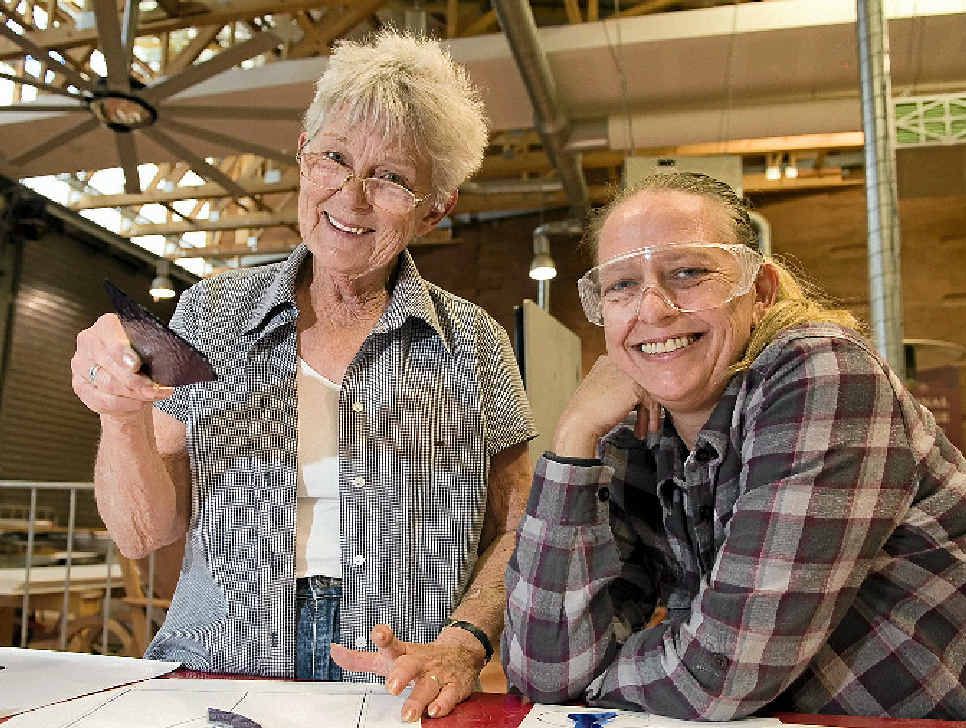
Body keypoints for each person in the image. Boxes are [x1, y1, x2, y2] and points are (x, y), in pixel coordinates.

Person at [71, 30, 536, 722]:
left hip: (397, 684)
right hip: (218, 666)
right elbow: (143, 534)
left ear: (436, 206)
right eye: (336, 158)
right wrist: (120, 414)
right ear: (302, 154)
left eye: (391, 178)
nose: (351, 197)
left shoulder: (471, 343)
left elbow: (521, 524)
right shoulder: (211, 312)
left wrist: (465, 644)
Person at [502, 172, 966, 719]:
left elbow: (718, 676)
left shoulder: (822, 375)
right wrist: (573, 437)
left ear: (761, 292)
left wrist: (595, 677)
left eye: (690, 273)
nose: (652, 310)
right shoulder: (638, 436)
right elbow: (541, 668)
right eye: (621, 285)